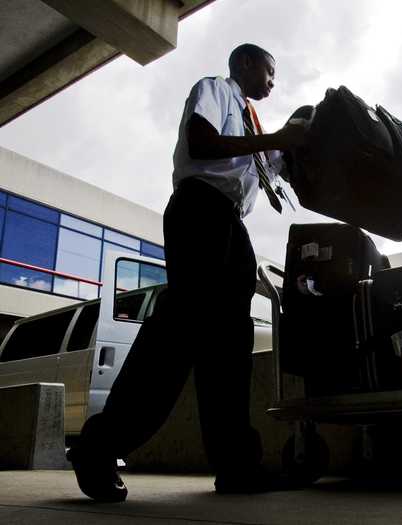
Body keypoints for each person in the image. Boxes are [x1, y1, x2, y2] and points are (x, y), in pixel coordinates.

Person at [67, 43, 306, 502]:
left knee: (229, 348)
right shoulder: (216, 90)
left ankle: (237, 466)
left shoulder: (252, 123)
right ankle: (97, 448)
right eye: (269, 72)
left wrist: (296, 142)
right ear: (245, 64)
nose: (273, 83)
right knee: (176, 337)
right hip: (199, 211)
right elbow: (202, 142)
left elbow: (274, 165)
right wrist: (276, 140)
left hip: (231, 223)